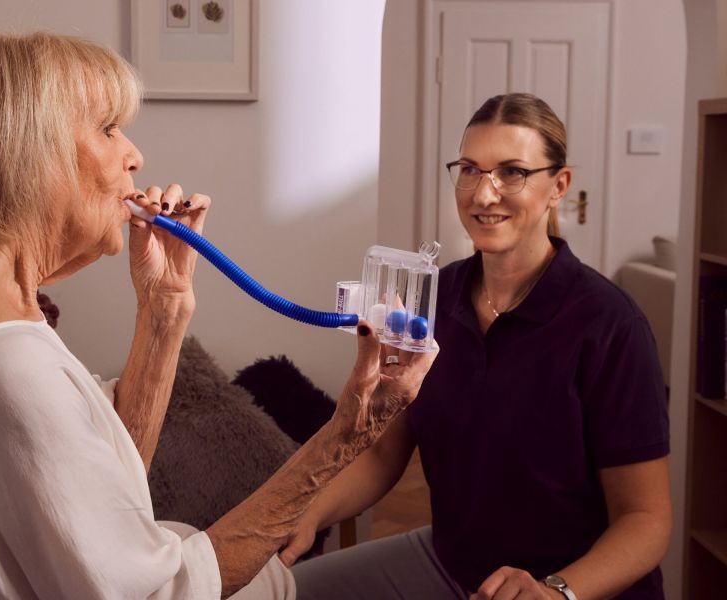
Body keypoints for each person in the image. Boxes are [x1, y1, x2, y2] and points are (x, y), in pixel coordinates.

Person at [0, 33, 439, 600]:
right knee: (273, 582)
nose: (135, 155)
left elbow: (114, 477)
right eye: (108, 129)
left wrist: (163, 309)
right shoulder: (11, 368)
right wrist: (343, 438)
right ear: (33, 158)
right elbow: (158, 593)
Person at [285, 93, 671, 599]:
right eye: (470, 169)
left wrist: (556, 592)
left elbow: (645, 519)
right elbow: (382, 456)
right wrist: (307, 512)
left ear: (558, 186)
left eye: (512, 172)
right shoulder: (434, 300)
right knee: (283, 592)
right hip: (453, 564)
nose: (485, 194)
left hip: (574, 585)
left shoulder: (610, 325)